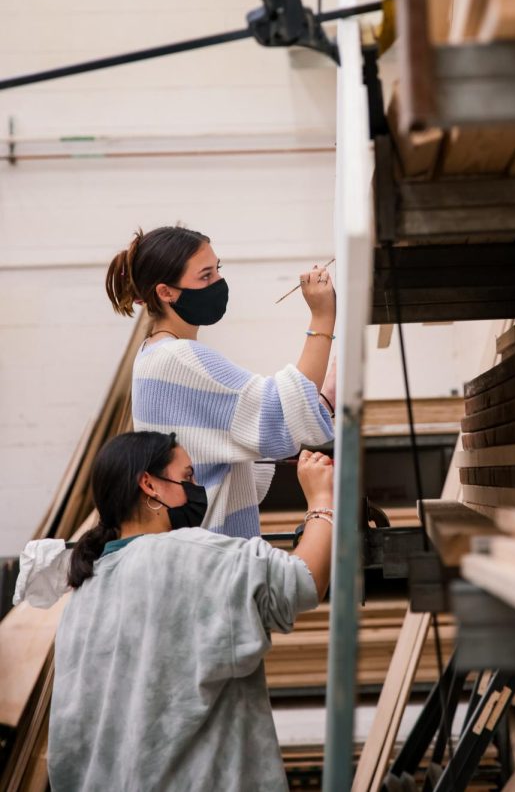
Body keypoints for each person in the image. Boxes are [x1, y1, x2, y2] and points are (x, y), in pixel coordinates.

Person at [46, 430, 334, 792]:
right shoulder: (190, 554)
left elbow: (67, 746)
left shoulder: (83, 595)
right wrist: (322, 501)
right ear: (149, 484)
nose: (197, 488)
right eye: (187, 477)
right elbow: (303, 580)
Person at [105, 226, 336, 539]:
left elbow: (226, 454)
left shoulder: (152, 355)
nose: (218, 283)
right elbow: (278, 412)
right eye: (205, 276)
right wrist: (322, 315)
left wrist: (321, 401)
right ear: (165, 292)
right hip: (211, 553)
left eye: (217, 270)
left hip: (197, 547)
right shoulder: (180, 358)